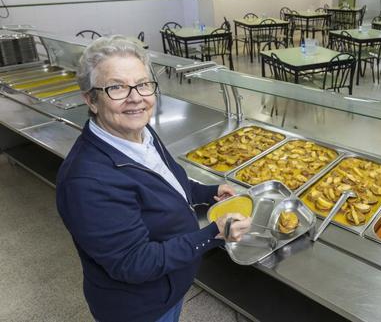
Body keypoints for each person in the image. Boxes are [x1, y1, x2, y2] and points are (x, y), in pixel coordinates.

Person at [56, 36, 252, 322]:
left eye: (143, 84)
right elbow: (134, 263)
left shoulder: (140, 131)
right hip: (139, 307)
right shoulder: (87, 182)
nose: (136, 97)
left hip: (169, 285)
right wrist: (214, 233)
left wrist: (206, 192)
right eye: (117, 87)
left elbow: (167, 178)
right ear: (91, 99)